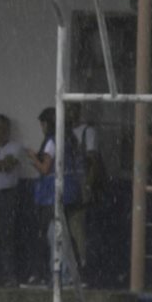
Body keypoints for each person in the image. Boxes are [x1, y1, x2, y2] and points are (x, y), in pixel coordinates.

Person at [23, 107, 81, 285]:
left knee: (53, 234)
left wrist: (33, 158)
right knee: (62, 233)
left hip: (52, 194)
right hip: (68, 192)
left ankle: (60, 274)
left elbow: (45, 168)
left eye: (42, 124)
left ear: (47, 124)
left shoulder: (51, 141)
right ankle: (70, 272)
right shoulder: (69, 138)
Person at [64, 103, 102, 273]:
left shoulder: (88, 132)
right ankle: (69, 263)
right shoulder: (63, 132)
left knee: (78, 227)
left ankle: (83, 264)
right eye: (67, 111)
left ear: (78, 112)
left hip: (81, 185)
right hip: (67, 186)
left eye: (72, 110)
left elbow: (93, 162)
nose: (69, 114)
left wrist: (87, 185)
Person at [0, 114, 22, 287]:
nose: (1, 132)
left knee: (6, 236)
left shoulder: (14, 147)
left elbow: (8, 165)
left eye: (4, 128)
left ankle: (10, 275)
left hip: (8, 195)